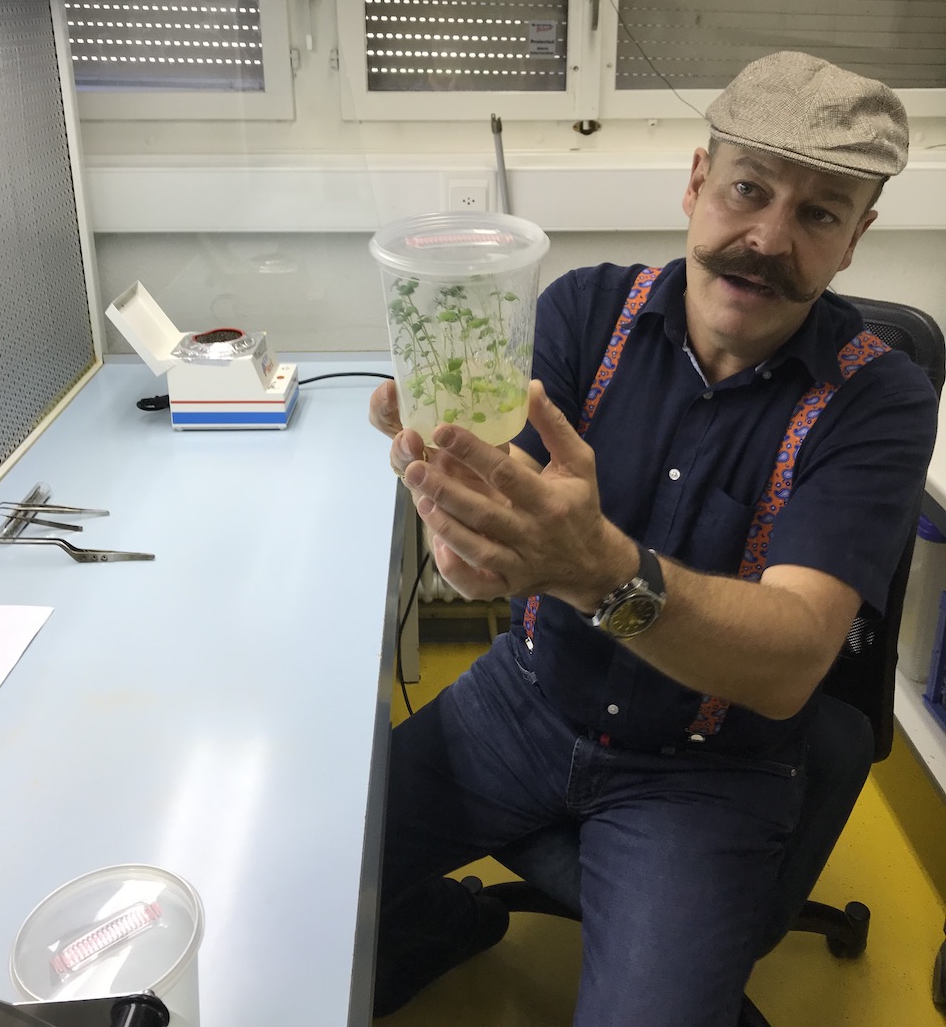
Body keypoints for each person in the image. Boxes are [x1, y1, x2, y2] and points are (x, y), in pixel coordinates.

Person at [367, 51, 939, 1026]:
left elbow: (792, 660)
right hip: (525, 700)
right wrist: (461, 520)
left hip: (707, 768)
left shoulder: (878, 398)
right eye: (748, 189)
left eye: (819, 214)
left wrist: (599, 570)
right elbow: (495, 517)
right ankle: (448, 923)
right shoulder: (583, 310)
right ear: (696, 182)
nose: (767, 239)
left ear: (856, 239)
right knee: (317, 875)